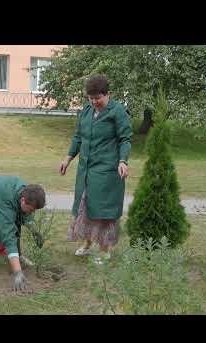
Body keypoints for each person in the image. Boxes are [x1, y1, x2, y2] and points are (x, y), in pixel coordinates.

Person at [59, 74, 132, 264]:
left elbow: (125, 139)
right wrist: (68, 158)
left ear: (108, 94)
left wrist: (123, 161)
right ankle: (87, 244)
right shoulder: (86, 111)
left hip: (107, 171)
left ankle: (104, 250)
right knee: (85, 207)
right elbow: (78, 136)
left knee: (103, 211)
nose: (94, 102)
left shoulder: (118, 112)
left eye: (97, 98)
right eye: (90, 98)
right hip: (86, 171)